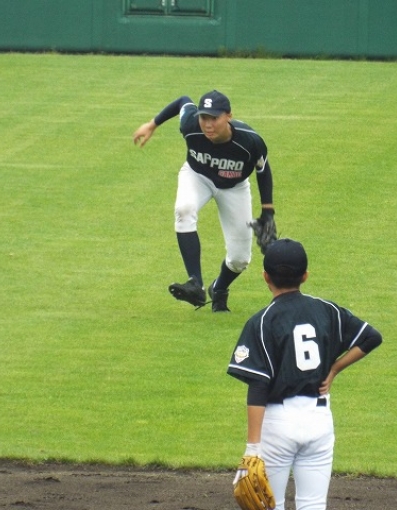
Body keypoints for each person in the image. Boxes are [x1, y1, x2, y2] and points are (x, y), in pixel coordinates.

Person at [227, 238, 383, 510]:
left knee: (268, 506)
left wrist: (253, 447)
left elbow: (258, 387)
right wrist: (334, 368)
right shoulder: (328, 310)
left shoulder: (262, 321)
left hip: (278, 425)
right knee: (313, 505)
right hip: (318, 422)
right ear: (305, 276)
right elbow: (371, 337)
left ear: (266, 277)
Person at [132, 90, 276, 312]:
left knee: (239, 259)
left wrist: (268, 211)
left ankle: (219, 288)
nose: (208, 124)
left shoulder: (250, 141)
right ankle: (195, 283)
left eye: (214, 118)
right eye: (204, 117)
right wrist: (152, 125)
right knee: (184, 209)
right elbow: (183, 101)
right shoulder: (191, 125)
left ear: (228, 116)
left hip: (234, 187)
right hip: (197, 176)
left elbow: (263, 170)